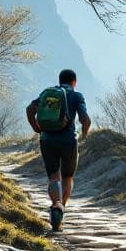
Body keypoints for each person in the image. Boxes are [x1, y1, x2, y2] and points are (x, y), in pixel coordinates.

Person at [26, 69, 91, 231]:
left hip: (47, 140)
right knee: (68, 177)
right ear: (74, 82)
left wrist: (36, 128)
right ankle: (60, 212)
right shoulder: (77, 96)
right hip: (69, 141)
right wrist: (84, 135)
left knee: (54, 177)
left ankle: (56, 204)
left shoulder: (47, 94)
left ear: (60, 80)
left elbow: (30, 109)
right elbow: (85, 119)